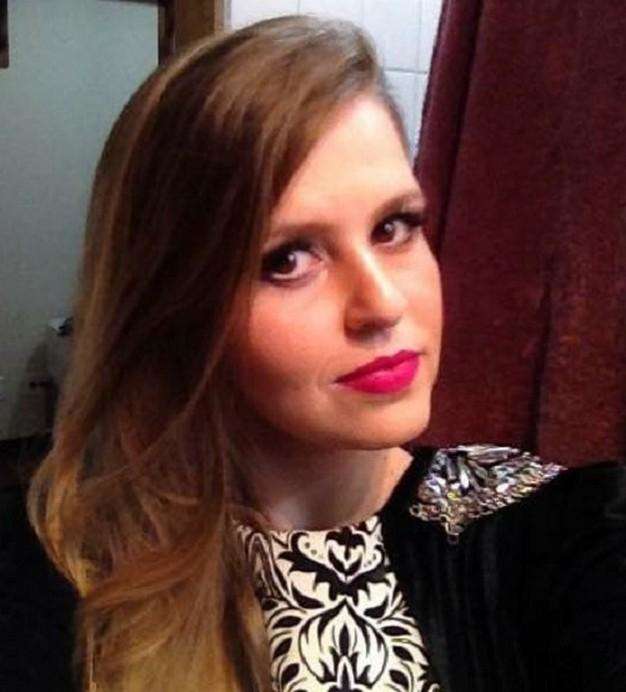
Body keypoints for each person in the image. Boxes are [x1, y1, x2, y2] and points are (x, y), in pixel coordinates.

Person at [21, 14, 625, 692]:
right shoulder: (67, 571)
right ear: (173, 307)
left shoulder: (550, 533)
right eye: (287, 259)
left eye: (394, 227)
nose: (383, 304)